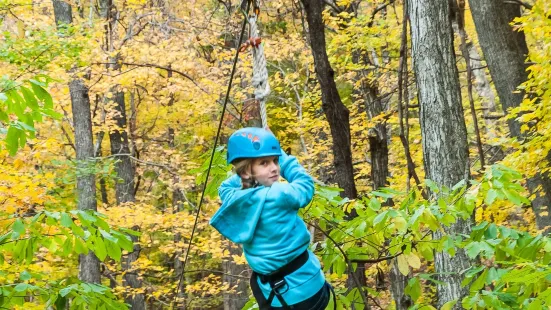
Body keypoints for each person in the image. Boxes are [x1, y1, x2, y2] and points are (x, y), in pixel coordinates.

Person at [210, 127, 332, 309]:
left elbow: (225, 187)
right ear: (246, 171)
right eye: (264, 163)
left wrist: (248, 176)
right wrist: (280, 153)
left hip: (273, 296)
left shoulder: (234, 199)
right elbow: (305, 184)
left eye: (275, 161)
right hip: (307, 290)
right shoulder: (280, 193)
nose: (275, 168)